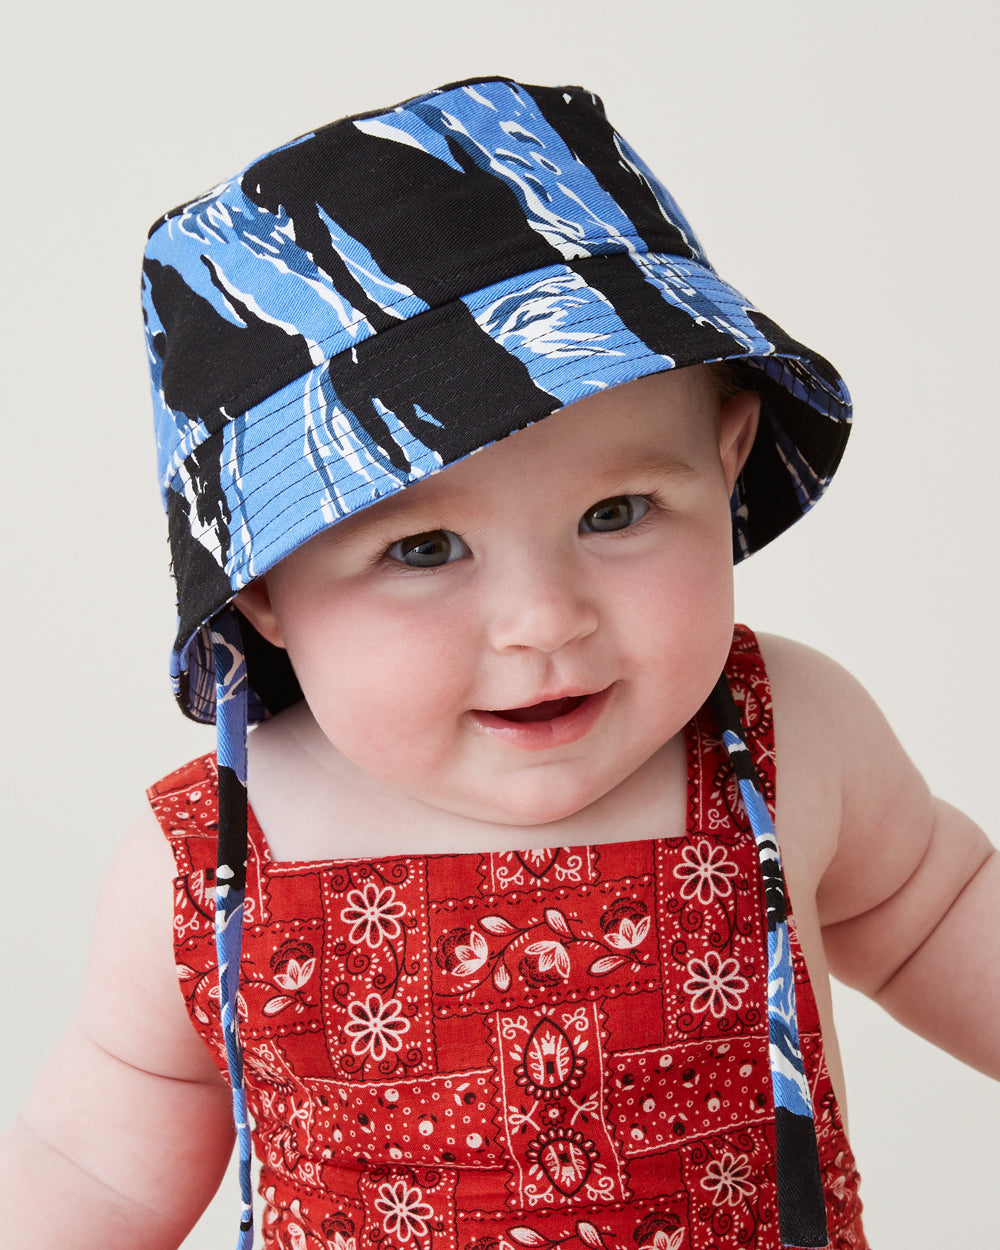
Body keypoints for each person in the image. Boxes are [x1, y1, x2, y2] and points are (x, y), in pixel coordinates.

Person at [2, 76, 996, 1250]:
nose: (541, 619)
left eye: (617, 511)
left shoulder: (785, 734)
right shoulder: (214, 850)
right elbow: (93, 1168)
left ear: (725, 464)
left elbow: (937, 910)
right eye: (423, 547)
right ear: (260, 584)